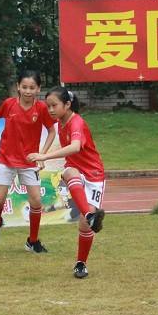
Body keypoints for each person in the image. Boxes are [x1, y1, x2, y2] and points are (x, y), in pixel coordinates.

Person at [0, 70, 56, 252]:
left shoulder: (41, 108)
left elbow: (52, 131)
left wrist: (42, 154)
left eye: (32, 88)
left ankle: (32, 241)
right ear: (18, 87)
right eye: (24, 87)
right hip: (6, 159)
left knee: (36, 202)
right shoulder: (9, 104)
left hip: (29, 163)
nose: (28, 91)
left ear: (38, 89)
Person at [27, 87, 105, 279]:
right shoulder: (59, 122)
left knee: (85, 227)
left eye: (54, 105)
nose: (51, 110)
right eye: (48, 106)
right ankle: (89, 214)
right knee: (69, 172)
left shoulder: (76, 122)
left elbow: (76, 147)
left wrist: (44, 155)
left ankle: (81, 263)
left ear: (67, 105)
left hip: (94, 175)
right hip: (75, 173)